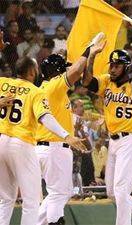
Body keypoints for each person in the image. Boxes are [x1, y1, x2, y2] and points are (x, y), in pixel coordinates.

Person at [0, 38, 86, 225]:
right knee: (32, 201)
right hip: (22, 143)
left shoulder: (3, 83)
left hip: (1, 141)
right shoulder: (35, 91)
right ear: (32, 72)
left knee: (6, 199)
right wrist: (67, 135)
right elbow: (44, 117)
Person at [82, 49, 132, 225]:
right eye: (112, 64)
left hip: (131, 140)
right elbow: (87, 81)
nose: (112, 69)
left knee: (121, 190)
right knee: (112, 192)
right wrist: (92, 56)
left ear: (126, 67)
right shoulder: (107, 81)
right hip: (114, 142)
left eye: (117, 66)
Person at [35, 34, 106, 225]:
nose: (66, 73)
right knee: (59, 193)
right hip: (54, 147)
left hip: (47, 147)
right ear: (57, 72)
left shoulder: (45, 88)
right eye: (62, 70)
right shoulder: (53, 87)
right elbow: (76, 70)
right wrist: (89, 48)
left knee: (59, 193)